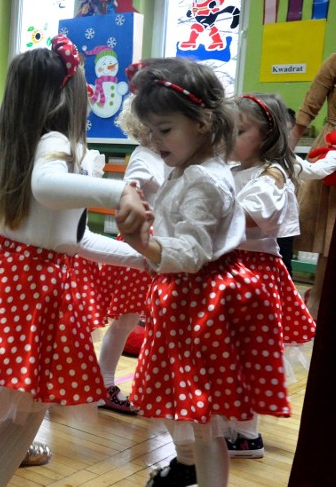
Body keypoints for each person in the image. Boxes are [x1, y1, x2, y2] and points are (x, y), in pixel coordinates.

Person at [0, 36, 149, 487]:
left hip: (8, 276)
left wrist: (143, 259)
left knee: (17, 406)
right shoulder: (56, 144)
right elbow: (48, 189)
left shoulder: (21, 145)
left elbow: (72, 238)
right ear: (69, 93)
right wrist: (118, 191)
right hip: (33, 287)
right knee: (25, 414)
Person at [120, 59, 290, 487]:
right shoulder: (188, 169)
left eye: (164, 130)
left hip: (202, 304)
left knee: (207, 418)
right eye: (150, 132)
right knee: (197, 415)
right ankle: (190, 469)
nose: (154, 141)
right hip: (188, 299)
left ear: (202, 124)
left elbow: (191, 252)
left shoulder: (204, 179)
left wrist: (141, 240)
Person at [224, 93, 317, 459]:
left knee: (249, 355)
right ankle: (232, 425)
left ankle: (247, 434)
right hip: (232, 269)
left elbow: (249, 215)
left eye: (240, 130)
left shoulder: (273, 173)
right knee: (230, 352)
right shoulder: (234, 171)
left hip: (255, 274)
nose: (230, 138)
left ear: (267, 134)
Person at [95, 98, 166, 415]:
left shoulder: (165, 157)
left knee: (152, 322)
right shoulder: (144, 157)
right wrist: (134, 195)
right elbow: (130, 188)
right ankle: (104, 383)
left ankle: (153, 386)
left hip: (160, 247)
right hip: (140, 245)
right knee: (125, 322)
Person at [288, 37, 336, 319]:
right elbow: (309, 106)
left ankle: (326, 299)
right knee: (319, 226)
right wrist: (285, 149)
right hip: (331, 146)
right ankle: (310, 300)